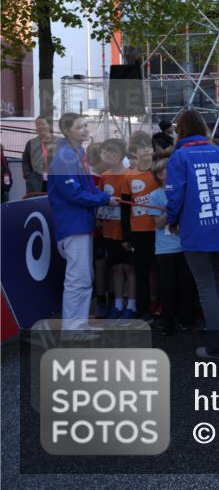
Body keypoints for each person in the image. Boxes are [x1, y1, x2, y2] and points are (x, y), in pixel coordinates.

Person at [166, 109, 219, 359]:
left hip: (196, 228)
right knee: (214, 280)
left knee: (206, 285)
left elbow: (175, 195)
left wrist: (172, 220)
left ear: (181, 130)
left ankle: (218, 346)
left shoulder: (180, 157)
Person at [47, 114, 115, 333]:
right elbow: (73, 193)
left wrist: (102, 196)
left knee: (84, 277)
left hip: (80, 223)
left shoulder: (77, 154)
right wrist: (104, 198)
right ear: (68, 131)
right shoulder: (65, 156)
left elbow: (86, 188)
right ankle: (73, 329)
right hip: (72, 225)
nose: (86, 130)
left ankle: (79, 325)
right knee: (78, 278)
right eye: (80, 127)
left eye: (86, 126)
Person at [148, 157, 196, 336]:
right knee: (168, 286)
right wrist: (172, 207)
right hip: (165, 248)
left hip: (186, 246)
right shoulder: (154, 196)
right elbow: (158, 223)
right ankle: (168, 322)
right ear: (160, 175)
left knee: (186, 284)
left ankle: (187, 319)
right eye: (168, 169)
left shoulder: (184, 191)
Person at [99, 139, 137, 319]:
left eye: (114, 152)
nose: (110, 156)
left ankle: (132, 305)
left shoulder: (131, 175)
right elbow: (100, 201)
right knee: (115, 268)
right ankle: (117, 304)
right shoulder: (104, 176)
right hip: (109, 231)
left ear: (122, 154)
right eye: (106, 152)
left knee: (129, 269)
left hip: (127, 231)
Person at [124, 134, 158, 321]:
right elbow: (124, 207)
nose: (146, 150)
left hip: (160, 231)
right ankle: (144, 309)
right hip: (138, 232)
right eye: (141, 147)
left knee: (161, 271)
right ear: (134, 152)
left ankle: (160, 306)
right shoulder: (128, 175)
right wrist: (126, 235)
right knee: (141, 272)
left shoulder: (159, 172)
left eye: (148, 147)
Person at [22, 116, 53, 195]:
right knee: (37, 204)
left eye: (42, 124)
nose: (40, 126)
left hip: (54, 181)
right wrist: (28, 176)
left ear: (49, 125)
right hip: (36, 182)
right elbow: (25, 161)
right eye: (38, 124)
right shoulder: (31, 143)